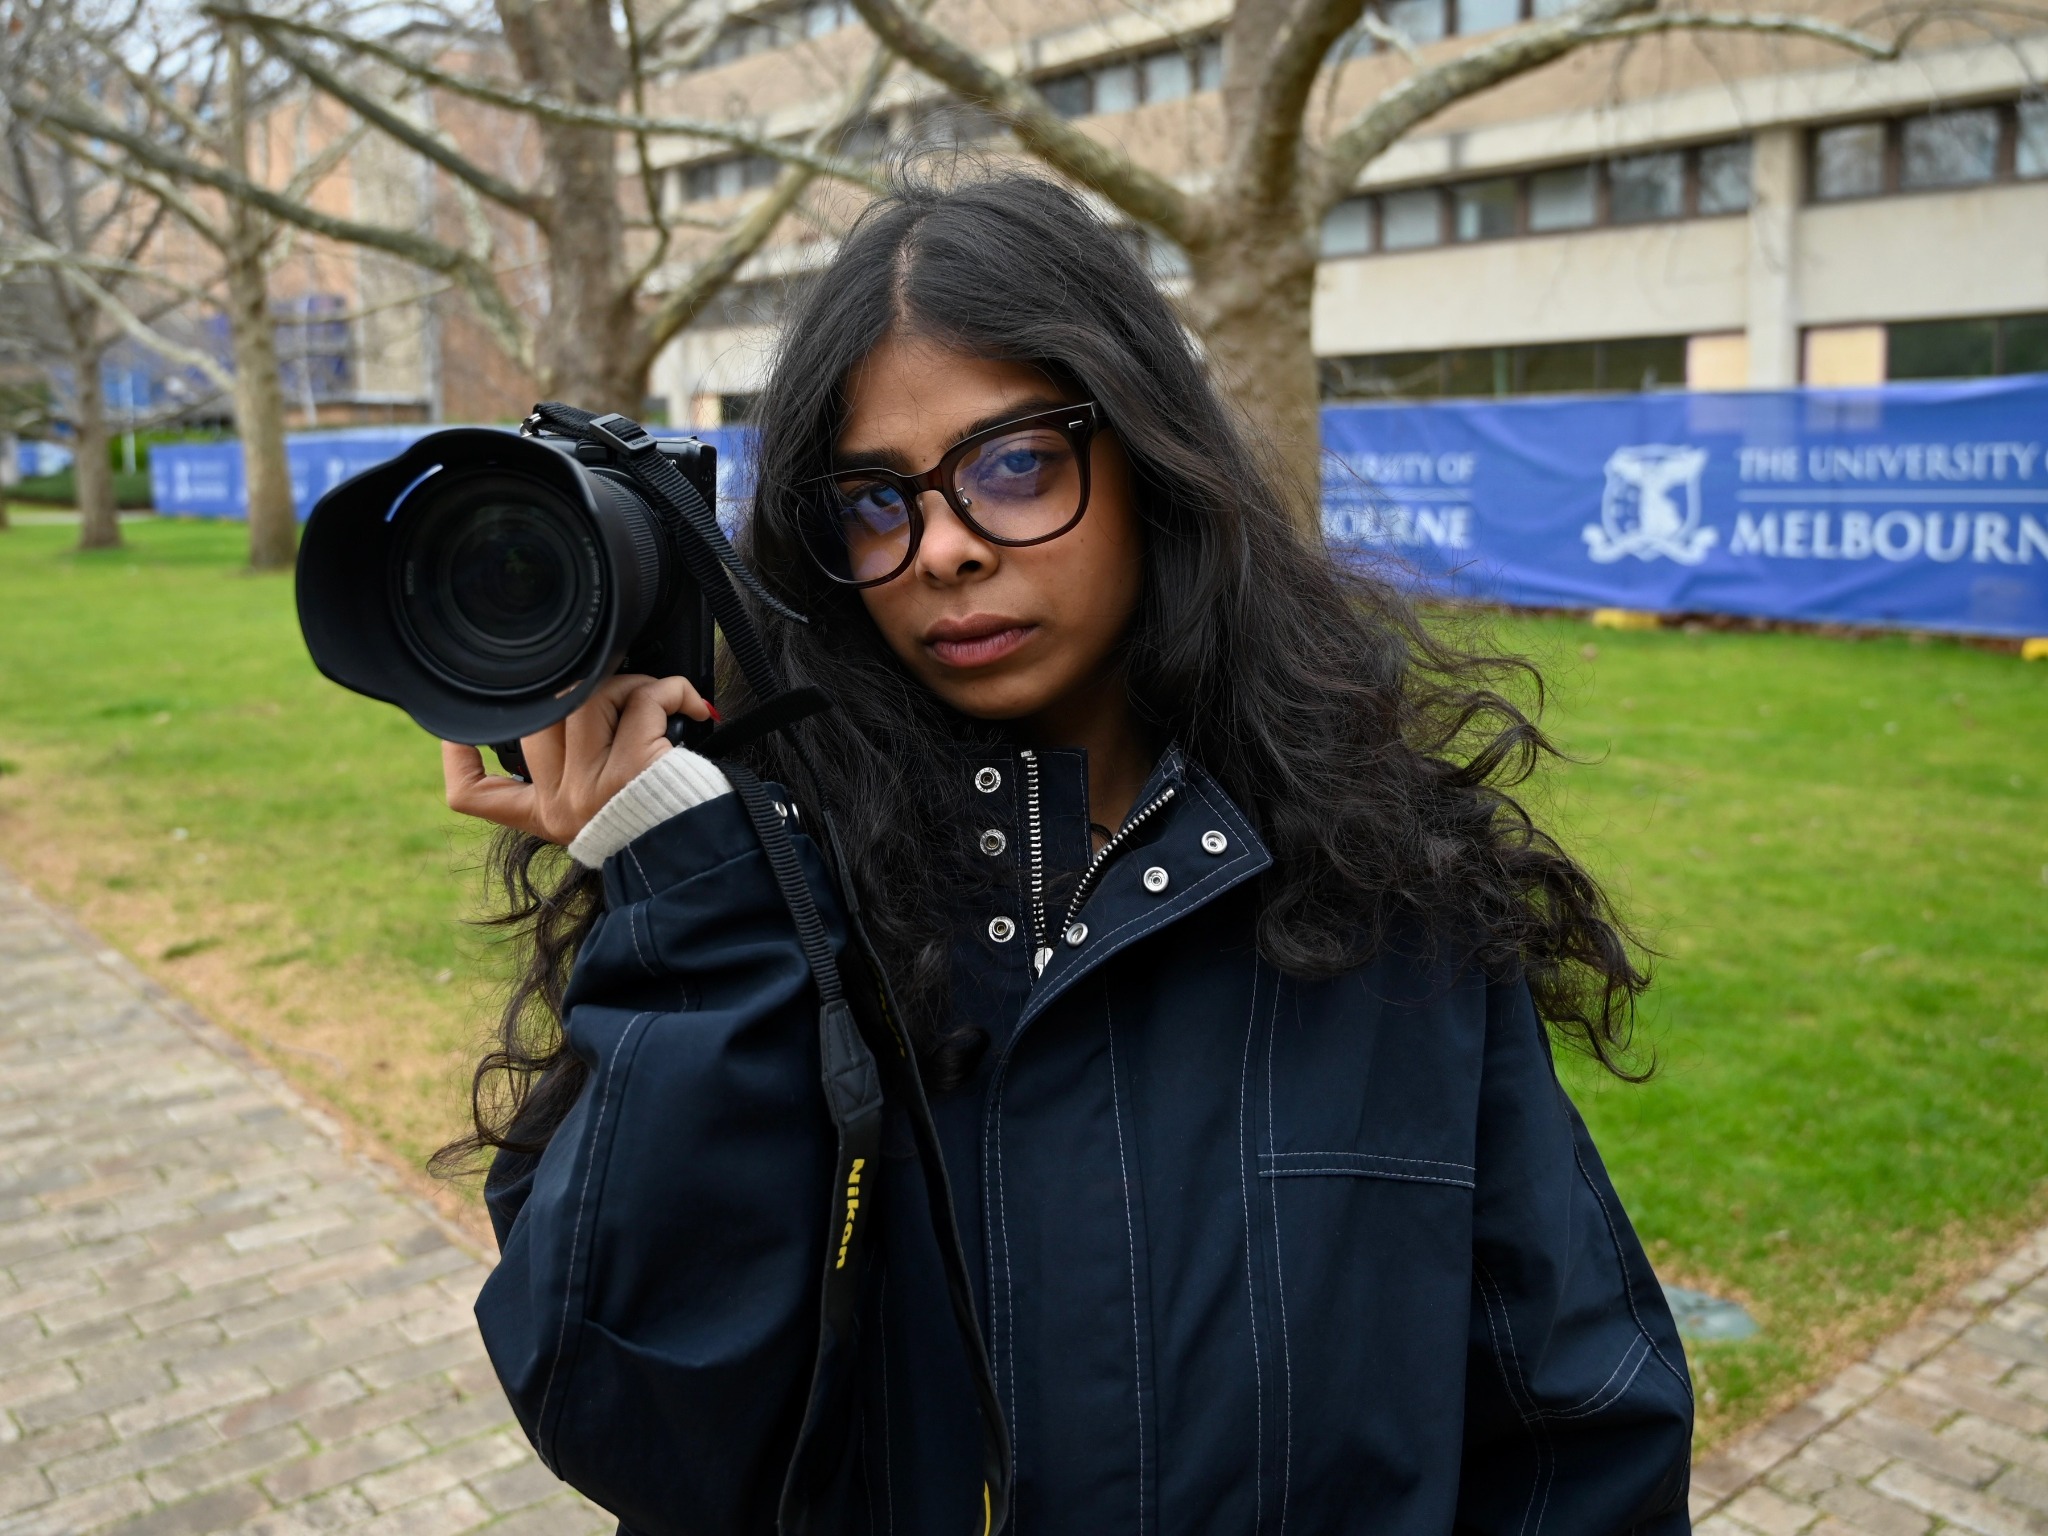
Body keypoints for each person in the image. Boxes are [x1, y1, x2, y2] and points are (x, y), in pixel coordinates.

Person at [440, 172, 1693, 1535]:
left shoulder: (1391, 880)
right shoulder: (762, 898)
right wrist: (684, 899)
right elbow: (631, 1416)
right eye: (874, 500)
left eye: (1014, 464)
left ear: (1150, 456)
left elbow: (1578, 1435)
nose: (943, 548)